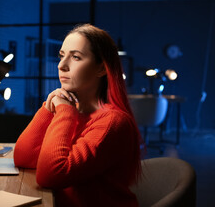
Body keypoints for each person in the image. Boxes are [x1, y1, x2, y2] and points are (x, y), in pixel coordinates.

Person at [14, 24, 142, 207]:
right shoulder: (73, 111)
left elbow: (50, 176)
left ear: (101, 69)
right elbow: (22, 157)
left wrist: (64, 112)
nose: (61, 65)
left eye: (75, 57)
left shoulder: (113, 122)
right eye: (61, 55)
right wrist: (48, 109)